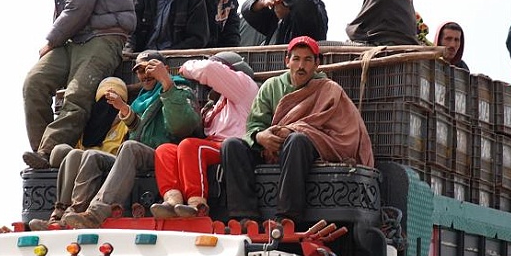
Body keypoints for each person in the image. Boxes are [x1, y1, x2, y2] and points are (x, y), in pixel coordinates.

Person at [22, 0, 136, 170]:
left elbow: (77, 8)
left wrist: (51, 40)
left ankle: (49, 150)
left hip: (104, 34)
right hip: (75, 38)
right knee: (34, 82)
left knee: (77, 93)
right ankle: (44, 155)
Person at [220, 36, 374, 225]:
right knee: (231, 145)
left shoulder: (329, 90)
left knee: (296, 140)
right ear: (287, 61)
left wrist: (296, 131)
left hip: (308, 151)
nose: (301, 65)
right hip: (270, 149)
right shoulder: (271, 86)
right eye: (296, 59)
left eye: (307, 60)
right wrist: (261, 137)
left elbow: (344, 132)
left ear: (317, 64)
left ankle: (287, 217)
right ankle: (245, 217)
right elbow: (254, 126)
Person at [62, 51, 201, 228]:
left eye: (149, 69)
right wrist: (124, 110)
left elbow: (181, 127)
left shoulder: (180, 89)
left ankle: (97, 212)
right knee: (91, 155)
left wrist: (166, 82)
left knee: (129, 147)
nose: (144, 75)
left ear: (164, 69)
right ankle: (74, 213)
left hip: (165, 155)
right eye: (140, 71)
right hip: (142, 153)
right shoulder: (141, 100)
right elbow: (139, 131)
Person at [150, 52, 259, 218]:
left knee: (190, 146)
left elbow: (208, 68)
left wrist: (185, 68)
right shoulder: (214, 104)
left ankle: (197, 203)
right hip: (210, 145)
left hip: (234, 147)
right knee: (165, 150)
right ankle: (172, 200)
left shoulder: (246, 86)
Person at [28, 77, 130, 231]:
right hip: (85, 162)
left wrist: (123, 110)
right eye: (103, 99)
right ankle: (60, 211)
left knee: (87, 155)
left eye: (113, 100)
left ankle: (75, 209)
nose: (107, 104)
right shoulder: (90, 124)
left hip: (111, 165)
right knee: (69, 152)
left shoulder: (125, 121)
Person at [241, 0, 328, 44]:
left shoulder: (315, 10)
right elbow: (247, 11)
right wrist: (263, 2)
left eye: (280, 0)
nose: (276, 5)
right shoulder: (276, 22)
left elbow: (301, 1)